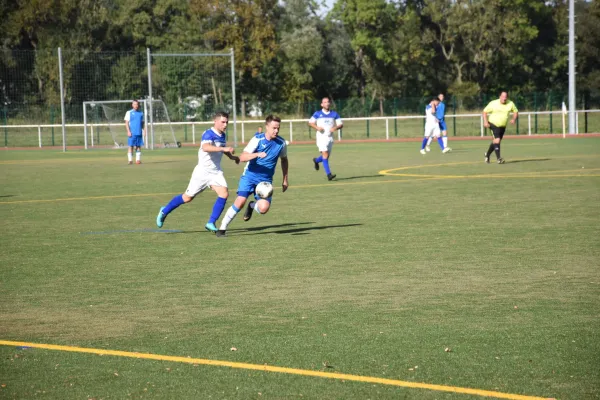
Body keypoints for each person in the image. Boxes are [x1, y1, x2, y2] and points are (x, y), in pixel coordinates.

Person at [156, 111, 240, 232]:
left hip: (215, 172)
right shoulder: (208, 133)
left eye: (227, 122)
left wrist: (232, 157)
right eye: (223, 122)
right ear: (215, 121)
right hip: (202, 172)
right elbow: (206, 147)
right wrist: (224, 148)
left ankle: (211, 222)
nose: (225, 124)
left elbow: (222, 149)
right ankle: (164, 211)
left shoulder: (222, 135)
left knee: (224, 193)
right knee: (187, 198)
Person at [215, 115, 289, 238]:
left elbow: (284, 160)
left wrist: (285, 179)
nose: (276, 131)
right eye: (274, 128)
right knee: (240, 202)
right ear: (267, 127)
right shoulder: (257, 139)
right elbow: (242, 157)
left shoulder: (281, 143)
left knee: (264, 208)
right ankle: (222, 228)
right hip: (250, 176)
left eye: (278, 128)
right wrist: (257, 154)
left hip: (265, 181)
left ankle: (252, 205)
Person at [308, 97, 343, 181]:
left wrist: (335, 128)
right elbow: (310, 122)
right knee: (325, 154)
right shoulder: (317, 113)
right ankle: (329, 175)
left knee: (326, 156)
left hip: (330, 138)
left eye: (328, 102)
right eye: (325, 102)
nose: (327, 103)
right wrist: (317, 127)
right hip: (321, 137)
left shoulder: (334, 114)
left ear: (329, 104)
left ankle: (316, 160)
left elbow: (340, 124)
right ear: (322, 104)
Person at [482, 91, 519, 164]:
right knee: (497, 140)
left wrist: (514, 119)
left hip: (502, 126)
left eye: (506, 97)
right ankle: (499, 158)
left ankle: (487, 154)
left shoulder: (510, 103)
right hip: (493, 124)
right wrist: (485, 122)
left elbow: (516, 111)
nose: (504, 98)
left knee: (496, 142)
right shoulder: (493, 103)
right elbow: (484, 112)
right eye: (503, 97)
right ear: (500, 97)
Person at [124, 100, 145, 164]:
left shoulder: (141, 113)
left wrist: (144, 130)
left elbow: (142, 123)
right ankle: (130, 160)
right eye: (135, 104)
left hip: (139, 132)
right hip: (132, 133)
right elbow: (126, 123)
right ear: (132, 105)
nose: (136, 105)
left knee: (138, 146)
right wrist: (128, 131)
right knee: (131, 146)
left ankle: (137, 160)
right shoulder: (129, 112)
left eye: (137, 104)